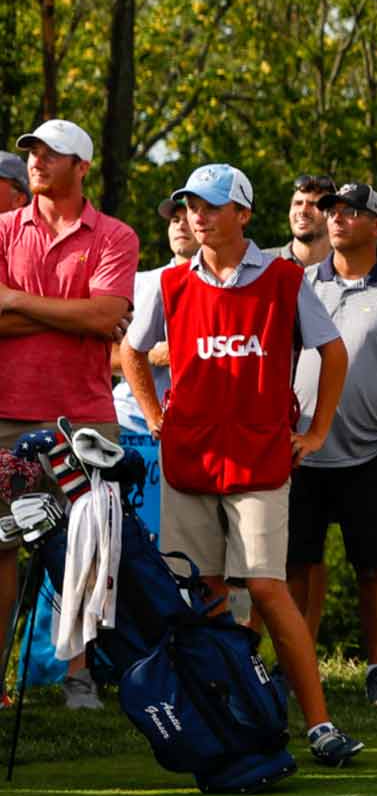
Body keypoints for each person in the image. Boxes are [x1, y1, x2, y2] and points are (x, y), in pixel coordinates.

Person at [122, 162, 363, 766]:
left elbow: (332, 353)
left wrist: (317, 430)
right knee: (200, 591)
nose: (195, 217)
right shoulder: (173, 283)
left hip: (259, 458)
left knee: (263, 586)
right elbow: (130, 353)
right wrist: (155, 416)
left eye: (208, 205)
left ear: (243, 214)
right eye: (189, 207)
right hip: (190, 460)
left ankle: (319, 724)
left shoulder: (284, 278)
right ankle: (221, 720)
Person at [0, 119, 138, 711]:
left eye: (50, 154)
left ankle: (78, 675)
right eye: (32, 152)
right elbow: (90, 317)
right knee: (0, 547)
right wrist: (76, 314)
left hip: (83, 417)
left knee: (84, 551)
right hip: (6, 411)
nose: (36, 161)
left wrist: (16, 303)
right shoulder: (3, 228)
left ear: (81, 166)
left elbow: (107, 317)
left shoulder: (114, 235)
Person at [285, 182, 377, 708]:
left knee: (374, 566)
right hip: (301, 451)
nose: (338, 219)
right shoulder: (300, 285)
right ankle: (295, 665)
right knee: (295, 565)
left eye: (353, 212)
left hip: (371, 453)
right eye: (333, 212)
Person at [112, 198, 201, 542]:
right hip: (133, 425)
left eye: (187, 217)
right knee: (126, 539)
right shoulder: (140, 282)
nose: (180, 224)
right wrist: (152, 354)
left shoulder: (234, 287)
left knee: (185, 548)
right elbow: (102, 356)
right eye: (174, 219)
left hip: (197, 435)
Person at [264, 173, 334, 268]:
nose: (303, 211)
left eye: (313, 204)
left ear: (332, 215)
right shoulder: (260, 265)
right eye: (298, 203)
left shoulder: (349, 269)